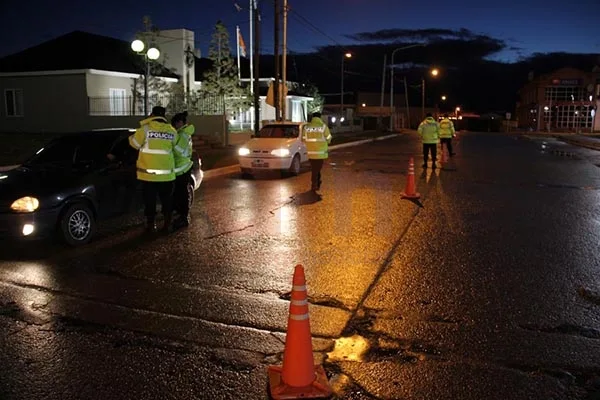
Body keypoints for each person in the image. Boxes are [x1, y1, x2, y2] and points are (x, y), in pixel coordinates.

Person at [129, 106, 180, 233]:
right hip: (167, 175)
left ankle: (151, 225)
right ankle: (167, 224)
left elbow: (134, 144)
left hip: (148, 176)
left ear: (151, 114)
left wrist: (131, 137)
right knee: (166, 200)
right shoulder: (171, 130)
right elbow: (175, 145)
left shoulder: (145, 129)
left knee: (150, 201)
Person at [171, 111, 195, 229]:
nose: (174, 126)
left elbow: (179, 150)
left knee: (182, 193)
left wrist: (169, 145)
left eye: (175, 123)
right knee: (180, 193)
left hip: (182, 168)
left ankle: (184, 217)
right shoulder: (183, 133)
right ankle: (181, 215)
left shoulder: (183, 134)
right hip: (182, 167)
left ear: (180, 123)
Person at [303, 111, 332, 192]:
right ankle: (315, 184)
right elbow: (329, 137)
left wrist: (310, 144)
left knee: (315, 169)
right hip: (320, 153)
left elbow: (303, 139)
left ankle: (317, 183)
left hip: (311, 153)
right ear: (320, 117)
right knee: (316, 169)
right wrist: (326, 142)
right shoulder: (323, 126)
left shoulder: (307, 127)